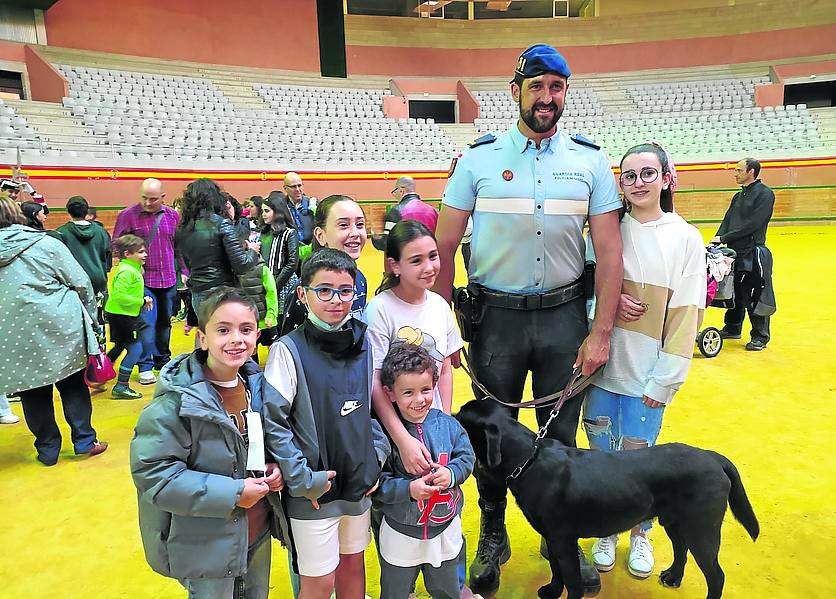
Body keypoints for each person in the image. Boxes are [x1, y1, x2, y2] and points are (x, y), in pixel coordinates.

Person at [432, 44, 624, 595]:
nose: (547, 97)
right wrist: (446, 328)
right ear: (515, 91)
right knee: (492, 434)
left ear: (566, 93)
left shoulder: (590, 162)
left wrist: (601, 331)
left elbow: (609, 253)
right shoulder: (478, 159)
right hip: (496, 321)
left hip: (566, 318)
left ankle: (558, 535)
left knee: (561, 435)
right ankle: (495, 530)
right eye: (536, 86)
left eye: (556, 87)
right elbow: (444, 247)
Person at [582, 142, 706, 579]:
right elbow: (586, 293)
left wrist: (665, 381)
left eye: (647, 173)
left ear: (666, 178)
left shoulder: (686, 238)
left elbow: (687, 314)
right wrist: (608, 304)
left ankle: (639, 534)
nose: (637, 183)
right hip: (599, 373)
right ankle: (605, 530)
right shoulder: (606, 230)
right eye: (629, 175)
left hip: (644, 377)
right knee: (600, 456)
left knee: (638, 460)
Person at [130, 287, 288, 599]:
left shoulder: (258, 388)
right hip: (206, 544)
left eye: (245, 330)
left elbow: (260, 445)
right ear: (203, 337)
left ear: (258, 334)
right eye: (222, 330)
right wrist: (234, 492)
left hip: (256, 532)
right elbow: (155, 475)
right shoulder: (176, 403)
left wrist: (275, 468)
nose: (236, 339)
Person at [263, 249, 390, 599]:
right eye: (325, 290)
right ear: (303, 294)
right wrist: (302, 479)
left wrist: (374, 458)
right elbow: (275, 425)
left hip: (358, 483)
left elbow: (371, 409)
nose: (336, 300)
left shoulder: (365, 343)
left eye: (345, 290)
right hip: (314, 492)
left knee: (353, 567)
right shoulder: (286, 351)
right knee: (318, 583)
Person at [0, 197, 107, 466]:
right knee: (72, 385)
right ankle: (84, 440)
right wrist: (92, 320)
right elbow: (81, 283)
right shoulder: (45, 243)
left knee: (32, 392)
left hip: (13, 334)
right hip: (61, 325)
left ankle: (47, 449)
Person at [374, 344, 475, 599]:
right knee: (395, 591)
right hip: (400, 533)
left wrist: (451, 474)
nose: (419, 400)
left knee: (447, 590)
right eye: (408, 392)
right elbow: (377, 483)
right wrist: (408, 489)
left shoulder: (449, 426)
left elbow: (466, 458)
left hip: (445, 530)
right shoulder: (385, 434)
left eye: (426, 390)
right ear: (390, 393)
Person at [113, 178, 180, 384]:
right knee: (146, 325)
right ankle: (145, 365)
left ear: (162, 197)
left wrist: (184, 271)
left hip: (168, 278)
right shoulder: (128, 215)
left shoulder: (172, 216)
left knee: (164, 322)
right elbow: (116, 245)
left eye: (153, 199)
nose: (148, 203)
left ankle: (163, 359)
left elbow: (178, 246)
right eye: (144, 198)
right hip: (142, 281)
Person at [712, 158, 775, 351]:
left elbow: (754, 224)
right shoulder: (738, 197)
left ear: (751, 172)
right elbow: (728, 219)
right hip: (734, 251)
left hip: (753, 251)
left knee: (755, 292)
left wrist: (725, 236)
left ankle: (760, 336)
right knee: (734, 291)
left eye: (739, 170)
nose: (735, 173)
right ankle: (733, 327)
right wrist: (717, 238)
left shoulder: (765, 194)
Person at [175, 178, 261, 317]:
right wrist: (252, 250)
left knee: (209, 333)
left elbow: (187, 263)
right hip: (222, 293)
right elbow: (242, 265)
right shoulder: (221, 224)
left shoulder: (183, 228)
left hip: (198, 293)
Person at [105, 235, 154, 400]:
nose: (145, 254)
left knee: (120, 346)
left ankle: (99, 375)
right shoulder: (127, 271)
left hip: (125, 315)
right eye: (140, 252)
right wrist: (141, 301)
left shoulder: (132, 268)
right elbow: (119, 296)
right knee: (135, 350)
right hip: (123, 317)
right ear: (127, 253)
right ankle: (121, 386)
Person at [50, 196, 111, 296]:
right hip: (98, 282)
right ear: (86, 211)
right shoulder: (101, 231)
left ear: (68, 212)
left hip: (73, 283)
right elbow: (108, 256)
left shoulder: (61, 232)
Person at [371, 176, 439, 251]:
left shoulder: (397, 211)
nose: (395, 195)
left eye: (395, 191)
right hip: (430, 258)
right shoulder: (433, 211)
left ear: (401, 191)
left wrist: (375, 239)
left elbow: (387, 243)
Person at [260, 191, 300, 315]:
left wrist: (275, 286)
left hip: (284, 284)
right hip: (266, 284)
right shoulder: (263, 233)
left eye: (267, 211)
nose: (263, 215)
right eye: (262, 211)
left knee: (283, 319)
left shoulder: (289, 233)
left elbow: (292, 263)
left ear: (277, 212)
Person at [284, 172, 316, 246]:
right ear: (285, 188)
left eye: (299, 185)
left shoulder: (313, 204)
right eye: (293, 187)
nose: (298, 189)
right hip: (291, 249)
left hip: (312, 249)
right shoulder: (282, 207)